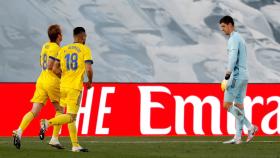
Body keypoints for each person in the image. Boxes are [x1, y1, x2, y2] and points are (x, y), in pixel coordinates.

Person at [39, 27, 93, 152]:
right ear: (82, 36)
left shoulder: (64, 49)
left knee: (61, 112)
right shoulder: (85, 49)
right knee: (71, 117)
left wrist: (64, 75)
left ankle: (63, 141)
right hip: (74, 87)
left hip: (63, 86)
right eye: (85, 36)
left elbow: (55, 68)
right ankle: (47, 123)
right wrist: (90, 82)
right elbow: (89, 69)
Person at [13, 24, 64, 149]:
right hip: (52, 81)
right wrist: (63, 75)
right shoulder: (57, 48)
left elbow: (42, 63)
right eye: (61, 33)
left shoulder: (45, 46)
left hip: (41, 79)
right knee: (60, 110)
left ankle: (19, 131)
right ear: (58, 36)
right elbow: (51, 67)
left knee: (34, 111)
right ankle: (54, 138)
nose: (62, 35)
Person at [219, 15, 258, 144]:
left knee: (227, 105)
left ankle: (250, 127)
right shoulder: (240, 38)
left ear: (230, 25)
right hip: (244, 76)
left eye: (223, 26)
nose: (222, 29)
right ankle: (238, 137)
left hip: (236, 76)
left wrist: (226, 78)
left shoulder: (233, 39)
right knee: (239, 106)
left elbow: (232, 59)